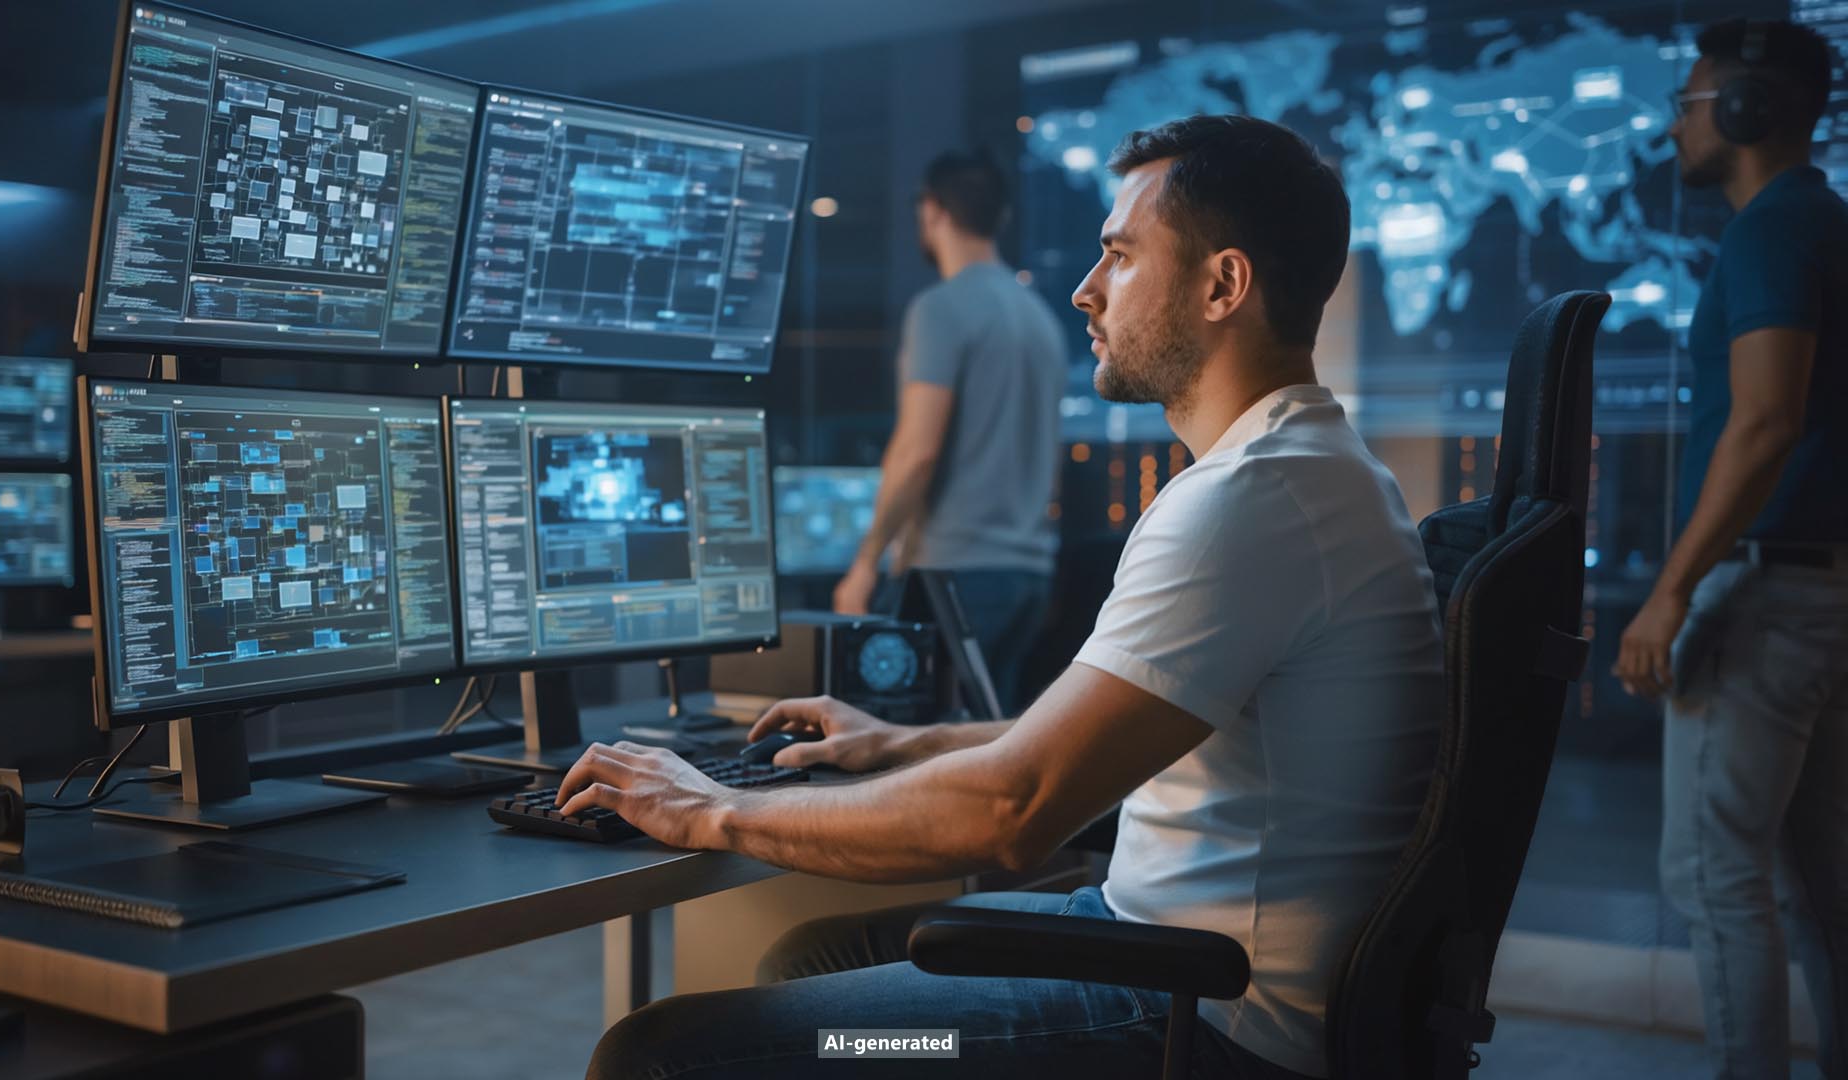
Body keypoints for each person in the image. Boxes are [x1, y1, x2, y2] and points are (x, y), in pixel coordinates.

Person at [566, 115, 1444, 1080]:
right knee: (818, 959)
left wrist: (709, 808)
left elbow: (1010, 810)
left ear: (1222, 286)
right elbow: (1088, 737)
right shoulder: (1314, 471)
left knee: (657, 1055)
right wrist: (907, 742)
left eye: (1120, 256)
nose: (1085, 288)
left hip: (1195, 1021)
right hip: (1167, 949)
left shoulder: (1250, 501)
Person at [1614, 18, 1848, 1080]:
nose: (1675, 126)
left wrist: (1672, 591)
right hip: (1825, 599)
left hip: (1765, 599)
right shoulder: (1827, 222)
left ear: (1748, 110)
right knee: (1822, 887)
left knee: (1716, 879)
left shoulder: (1772, 230)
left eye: (1689, 102)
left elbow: (1763, 422)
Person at [832, 151, 1066, 714]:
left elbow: (918, 451)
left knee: (908, 745)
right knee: (987, 745)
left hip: (953, 574)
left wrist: (864, 564)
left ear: (932, 210)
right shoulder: (1043, 320)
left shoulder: (941, 308)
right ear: (999, 217)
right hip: (1029, 576)